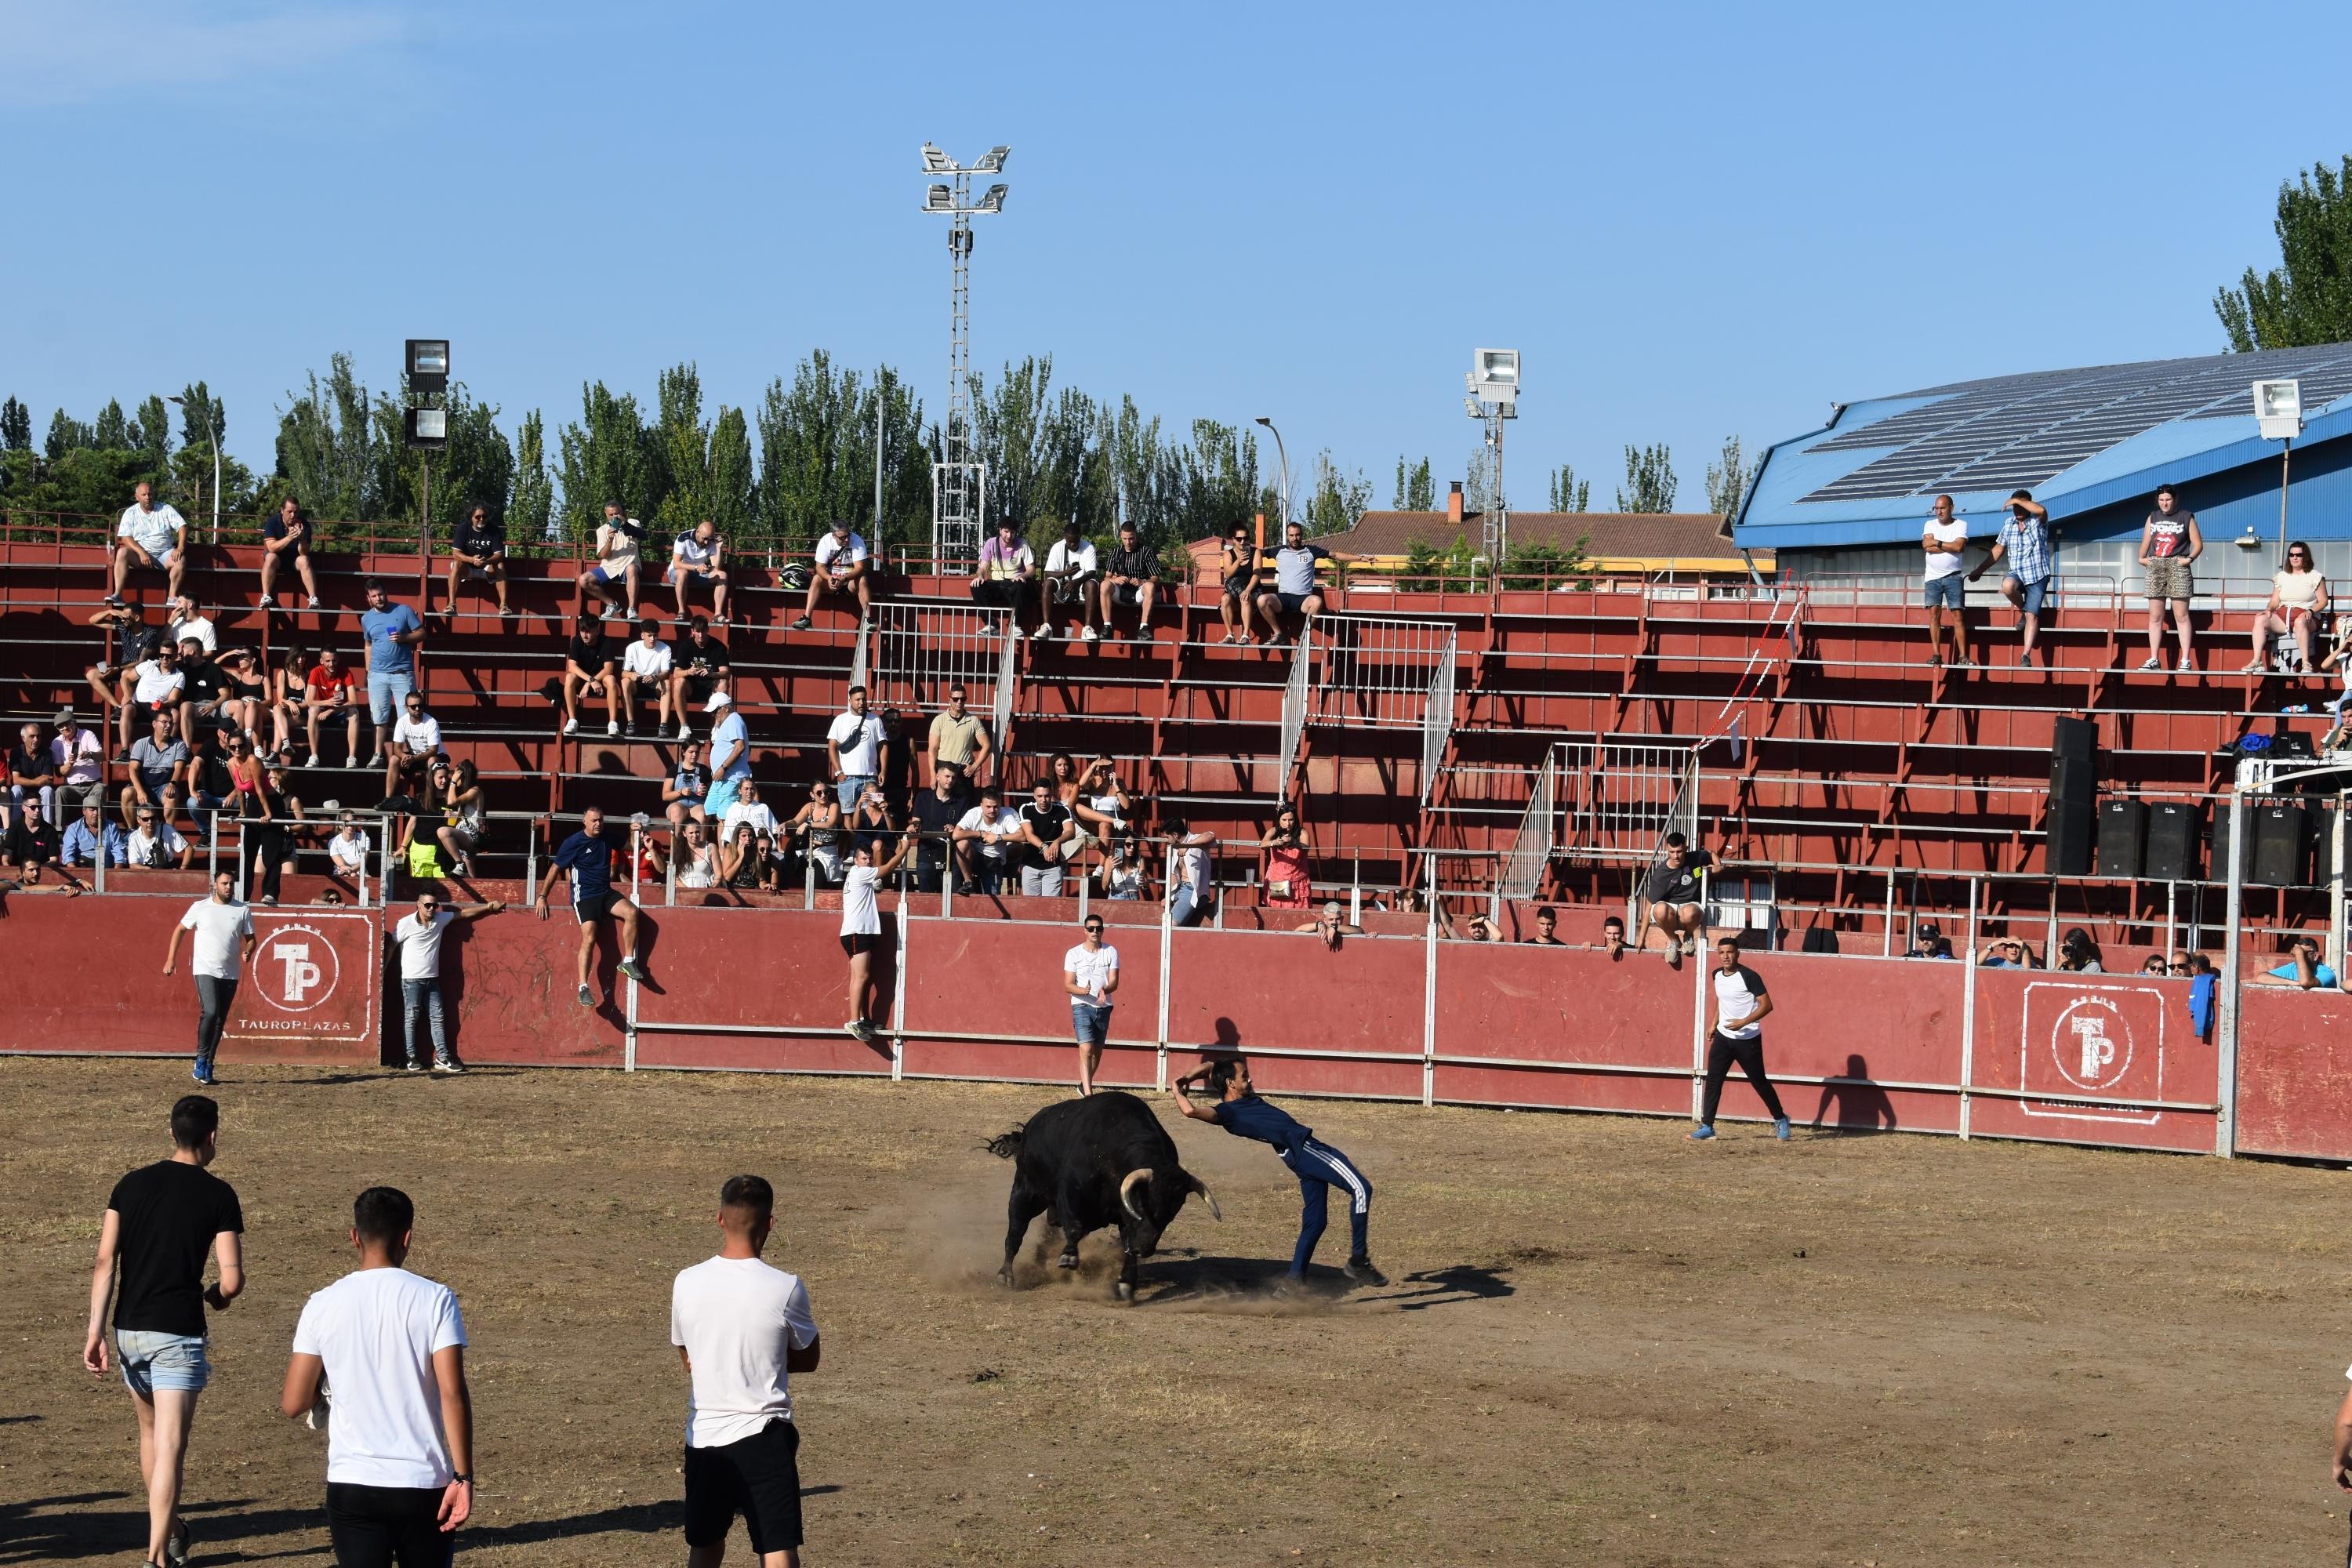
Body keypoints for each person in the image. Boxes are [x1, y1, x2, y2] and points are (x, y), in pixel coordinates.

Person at [83, 1094, 245, 1568]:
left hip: (128, 1330)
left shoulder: (128, 1186)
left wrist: (94, 1333)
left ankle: (172, 1529)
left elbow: (104, 1261)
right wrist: (218, 1295)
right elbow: (232, 1280)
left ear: (170, 1132)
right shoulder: (219, 1195)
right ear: (212, 1137)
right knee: (172, 1445)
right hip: (178, 1334)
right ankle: (158, 1556)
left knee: (152, 1436)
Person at [279, 1186, 474, 1568]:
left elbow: (292, 1403)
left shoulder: (322, 1303)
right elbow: (453, 1394)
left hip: (353, 1485)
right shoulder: (436, 1299)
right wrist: (463, 1477)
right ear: (408, 1238)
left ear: (355, 1236)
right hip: (423, 1486)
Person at [670, 1175, 821, 1568]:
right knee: (777, 1548)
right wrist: (763, 1356)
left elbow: (689, 1357)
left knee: (705, 1545)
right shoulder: (786, 1288)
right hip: (764, 1437)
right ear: (771, 1223)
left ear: (720, 1218)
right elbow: (809, 1358)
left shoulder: (686, 1282)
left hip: (704, 1435)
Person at [1169, 1054, 1386, 1290]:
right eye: (1244, 1076)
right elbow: (1190, 1111)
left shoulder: (1241, 1096)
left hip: (1296, 1157)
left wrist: (1186, 1077)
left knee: (1316, 1222)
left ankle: (1293, 1282)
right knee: (1361, 1188)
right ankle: (1358, 1261)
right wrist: (1176, 1091)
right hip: (1306, 1149)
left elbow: (1211, 1067)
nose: (1250, 1079)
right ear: (1231, 1083)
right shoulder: (1227, 1113)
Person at [536, 806, 652, 1008]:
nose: (598, 824)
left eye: (600, 820)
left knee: (632, 912)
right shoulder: (573, 843)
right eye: (594, 821)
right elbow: (556, 869)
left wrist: (635, 832)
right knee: (590, 936)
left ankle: (627, 961)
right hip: (585, 895)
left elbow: (629, 846)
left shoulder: (607, 836)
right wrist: (542, 896)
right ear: (585, 822)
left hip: (605, 892)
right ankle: (583, 988)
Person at [1692, 935, 1790, 1142]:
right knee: (1714, 1081)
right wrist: (1713, 1024)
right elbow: (1721, 1000)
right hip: (1723, 1038)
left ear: (1738, 954)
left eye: (1730, 952)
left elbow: (1767, 1005)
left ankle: (1780, 1119)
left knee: (1759, 1082)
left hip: (1747, 1038)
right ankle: (1708, 1126)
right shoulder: (1716, 975)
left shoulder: (1749, 976)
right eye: (1721, 953)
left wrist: (1743, 1022)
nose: (1726, 956)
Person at [392, 891, 503, 1073]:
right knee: (411, 1018)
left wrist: (489, 906)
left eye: (434, 905)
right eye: (427, 905)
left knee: (437, 1017)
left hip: (432, 978)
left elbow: (464, 914)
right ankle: (411, 1057)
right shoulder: (405, 923)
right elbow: (392, 945)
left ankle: (442, 1058)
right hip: (411, 980)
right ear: (418, 905)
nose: (431, 909)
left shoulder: (439, 918)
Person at [163, 869, 257, 1086]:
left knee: (219, 1020)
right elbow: (179, 930)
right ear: (215, 885)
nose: (228, 887)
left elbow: (251, 939)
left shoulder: (242, 909)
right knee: (211, 1011)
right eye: (224, 883)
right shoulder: (200, 907)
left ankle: (208, 1064)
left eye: (232, 884)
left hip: (231, 972)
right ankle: (200, 1058)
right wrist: (171, 959)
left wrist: (248, 951)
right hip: (205, 968)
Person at [840, 829, 914, 1044]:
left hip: (858, 931)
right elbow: (890, 867)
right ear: (855, 860)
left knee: (862, 977)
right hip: (857, 931)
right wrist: (906, 849)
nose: (868, 862)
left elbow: (887, 868)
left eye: (870, 859)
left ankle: (861, 1019)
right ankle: (854, 1021)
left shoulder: (859, 874)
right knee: (862, 977)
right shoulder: (858, 872)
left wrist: (900, 847)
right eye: (864, 859)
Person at [1967, 490, 2053, 668]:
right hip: (2018, 572)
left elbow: (2041, 511)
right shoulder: (2009, 524)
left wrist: (2016, 500)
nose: (2017, 509)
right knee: (2007, 585)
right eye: (2015, 506)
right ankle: (2023, 609)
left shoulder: (2038, 521)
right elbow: (1998, 550)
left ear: (2029, 505)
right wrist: (1980, 570)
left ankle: (2025, 655)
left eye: (2021, 505)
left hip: (2037, 574)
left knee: (2032, 615)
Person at [359, 581, 426, 769]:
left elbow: (422, 633)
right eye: (374, 596)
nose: (378, 598)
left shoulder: (404, 610)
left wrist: (404, 638)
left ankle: (410, 754)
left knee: (408, 715)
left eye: (380, 594)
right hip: (378, 675)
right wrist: (368, 670)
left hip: (402, 673)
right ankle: (378, 754)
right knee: (379, 717)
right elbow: (368, 644)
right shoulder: (366, 619)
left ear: (386, 593)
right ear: (369, 599)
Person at [2136, 482, 2201, 672]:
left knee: (2181, 615)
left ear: (2175, 499)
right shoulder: (2153, 517)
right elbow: (2146, 542)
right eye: (2161, 500)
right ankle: (2154, 658)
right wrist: (2142, 559)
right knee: (2155, 616)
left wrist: (2188, 559)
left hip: (2178, 564)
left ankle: (2185, 660)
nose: (2165, 503)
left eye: (2168, 499)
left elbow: (2197, 544)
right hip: (2156, 564)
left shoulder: (2186, 517)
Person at [2245, 540, 2329, 674]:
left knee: (2300, 621)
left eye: (2299, 555)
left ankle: (2306, 663)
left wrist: (2310, 611)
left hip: (2306, 617)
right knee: (2259, 619)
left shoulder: (2315, 576)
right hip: (2283, 616)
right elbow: (2274, 601)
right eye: (2291, 555)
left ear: (2305, 556)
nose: (2294, 558)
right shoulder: (2281, 576)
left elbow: (2323, 601)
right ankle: (2257, 661)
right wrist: (2269, 609)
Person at [1063, 914, 1120, 1094]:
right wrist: (1083, 991)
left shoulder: (1110, 951)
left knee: (1097, 1052)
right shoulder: (1074, 953)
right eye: (1091, 929)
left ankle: (1083, 1085)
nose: (1095, 931)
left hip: (1103, 1007)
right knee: (1086, 1048)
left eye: (1098, 928)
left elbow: (1114, 982)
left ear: (1103, 930)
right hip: (1081, 1005)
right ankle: (1089, 1094)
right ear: (1085, 931)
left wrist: (1105, 989)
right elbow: (1068, 985)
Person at [1253, 520, 1332, 648]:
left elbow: (1334, 554)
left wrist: (1360, 558)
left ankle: (1305, 636)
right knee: (1262, 600)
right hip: (1283, 598)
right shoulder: (1279, 551)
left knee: (1317, 602)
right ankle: (1278, 634)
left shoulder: (1311, 551)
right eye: (1291, 535)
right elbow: (1258, 552)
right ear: (1287, 536)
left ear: (1302, 535)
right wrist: (1241, 554)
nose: (1295, 538)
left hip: (1304, 598)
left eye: (1297, 535)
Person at [107, 481, 188, 606]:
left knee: (180, 560)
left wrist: (180, 548)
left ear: (154, 495)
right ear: (137, 497)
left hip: (165, 554)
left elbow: (182, 526)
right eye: (144, 494)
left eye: (150, 494)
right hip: (140, 556)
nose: (147, 497)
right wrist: (141, 552)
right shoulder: (130, 513)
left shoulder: (165, 509)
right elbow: (125, 537)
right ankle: (118, 594)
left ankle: (172, 597)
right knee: (122, 552)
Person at [1641, 830, 1712, 967]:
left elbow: (1712, 854)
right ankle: (1674, 941)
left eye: (1679, 851)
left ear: (1686, 848)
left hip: (1690, 909)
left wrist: (1719, 866)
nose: (1676, 856)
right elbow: (1649, 905)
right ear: (1667, 849)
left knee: (1690, 911)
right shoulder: (1661, 874)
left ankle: (1688, 936)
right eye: (1672, 852)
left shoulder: (1696, 857)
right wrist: (1641, 939)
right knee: (1659, 909)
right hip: (1670, 913)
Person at [790, 518, 872, 631]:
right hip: (831, 581)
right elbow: (819, 567)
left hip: (849, 581)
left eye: (848, 535)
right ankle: (807, 618)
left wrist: (844, 578)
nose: (847, 539)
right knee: (816, 579)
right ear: (833, 536)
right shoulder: (825, 541)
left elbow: (860, 568)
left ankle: (868, 619)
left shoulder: (857, 540)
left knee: (862, 579)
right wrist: (829, 578)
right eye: (842, 537)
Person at [1920, 494, 1971, 669]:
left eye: (1942, 508)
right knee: (1934, 613)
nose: (1939, 512)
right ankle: (1936, 653)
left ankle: (1963, 655)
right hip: (1932, 577)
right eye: (1937, 508)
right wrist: (1945, 545)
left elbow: (1959, 547)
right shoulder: (1929, 524)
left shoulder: (1961, 524)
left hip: (1954, 576)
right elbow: (1927, 546)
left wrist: (1936, 543)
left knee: (1958, 614)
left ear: (1951, 508)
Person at [442, 502, 512, 619]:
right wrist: (471, 560)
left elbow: (499, 555)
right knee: (456, 564)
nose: (481, 519)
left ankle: (504, 606)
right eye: (478, 517)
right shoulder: (463, 528)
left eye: (484, 516)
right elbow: (456, 553)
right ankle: (451, 605)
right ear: (471, 517)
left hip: (487, 567)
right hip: (468, 567)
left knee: (500, 565)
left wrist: (487, 561)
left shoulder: (494, 530)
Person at [579, 500, 648, 621]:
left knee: (631, 568)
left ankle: (632, 609)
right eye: (611, 515)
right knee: (584, 580)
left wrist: (624, 524)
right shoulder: (602, 530)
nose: (614, 517)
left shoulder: (633, 523)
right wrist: (610, 540)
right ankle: (612, 604)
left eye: (617, 514)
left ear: (622, 512)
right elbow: (603, 555)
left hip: (629, 565)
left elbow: (643, 536)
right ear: (606, 514)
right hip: (609, 567)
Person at [667, 616, 731, 742]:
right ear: (692, 631)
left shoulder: (718, 646)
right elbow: (676, 673)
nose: (700, 635)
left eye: (703, 631)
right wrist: (689, 671)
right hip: (691, 687)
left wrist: (711, 673)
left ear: (708, 630)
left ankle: (717, 727)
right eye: (697, 631)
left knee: (723, 683)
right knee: (678, 682)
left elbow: (726, 672)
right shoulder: (686, 646)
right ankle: (684, 726)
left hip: (711, 687)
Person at [826, 686, 886, 815]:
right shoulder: (840, 720)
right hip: (847, 776)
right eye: (857, 699)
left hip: (870, 776)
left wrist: (883, 771)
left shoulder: (875, 719)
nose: (861, 703)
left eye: (863, 699)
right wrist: (838, 772)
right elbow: (831, 747)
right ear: (850, 701)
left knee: (872, 813)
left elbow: (883, 745)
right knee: (848, 815)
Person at [952, 783, 1021, 895]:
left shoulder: (1007, 815)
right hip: (974, 857)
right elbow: (956, 835)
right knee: (962, 843)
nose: (992, 810)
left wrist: (998, 837)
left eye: (996, 807)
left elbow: (1021, 836)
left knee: (992, 899)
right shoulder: (974, 813)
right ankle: (968, 882)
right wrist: (980, 833)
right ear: (981, 806)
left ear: (1000, 805)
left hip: (993, 860)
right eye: (988, 807)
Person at [907, 768, 968, 893]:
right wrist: (914, 826)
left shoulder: (962, 801)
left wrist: (955, 828)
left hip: (952, 857)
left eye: (953, 777)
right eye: (947, 776)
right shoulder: (923, 797)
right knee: (926, 899)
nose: (950, 780)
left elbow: (966, 827)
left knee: (953, 900)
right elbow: (916, 820)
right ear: (937, 777)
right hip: (926, 854)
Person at [1037, 520, 1099, 641]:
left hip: (1081, 587)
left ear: (1080, 537)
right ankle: (1046, 626)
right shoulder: (1057, 547)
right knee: (1048, 583)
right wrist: (1065, 573)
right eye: (1069, 541)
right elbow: (1047, 573)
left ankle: (1087, 628)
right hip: (1062, 586)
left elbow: (1092, 572)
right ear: (1065, 538)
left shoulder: (1088, 548)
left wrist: (1076, 582)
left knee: (1092, 584)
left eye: (1075, 542)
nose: (1072, 544)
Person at [971, 521, 1036, 634]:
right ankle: (991, 624)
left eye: (1012, 532)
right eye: (1006, 532)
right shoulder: (991, 543)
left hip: (1014, 584)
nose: (1009, 536)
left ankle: (1015, 625)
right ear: (1000, 530)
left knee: (1020, 586)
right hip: (996, 583)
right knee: (976, 586)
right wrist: (980, 576)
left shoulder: (1022, 544)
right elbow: (982, 567)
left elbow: (1031, 569)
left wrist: (1022, 576)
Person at [1098, 521, 1160, 641]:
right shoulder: (1115, 552)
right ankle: (1107, 627)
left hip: (1139, 593)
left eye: (1131, 539)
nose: (1128, 542)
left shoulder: (1147, 552)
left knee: (1150, 586)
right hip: (1120, 591)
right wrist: (1116, 580)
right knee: (1104, 585)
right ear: (1120, 535)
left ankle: (1144, 628)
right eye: (1125, 539)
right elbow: (1107, 577)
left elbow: (1156, 579)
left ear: (1136, 535)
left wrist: (1143, 581)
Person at [1015, 779, 1076, 897]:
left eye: (1047, 796)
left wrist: (1057, 841)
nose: (1043, 800)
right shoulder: (1026, 809)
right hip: (1030, 866)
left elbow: (1070, 832)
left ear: (1052, 794)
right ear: (1034, 795)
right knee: (1031, 907)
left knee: (1051, 908)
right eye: (1039, 796)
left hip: (1053, 867)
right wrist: (1044, 847)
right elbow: (1029, 834)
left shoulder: (1062, 810)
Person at [260, 497, 322, 610]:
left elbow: (304, 552)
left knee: (305, 560)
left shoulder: (304, 525)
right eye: (290, 512)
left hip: (295, 561)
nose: (293, 515)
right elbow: (271, 547)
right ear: (282, 510)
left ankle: (313, 598)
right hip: (277, 560)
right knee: (270, 557)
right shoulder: (273, 522)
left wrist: (302, 538)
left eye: (296, 512)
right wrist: (289, 538)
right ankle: (266, 596)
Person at [306, 648, 365, 770]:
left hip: (339, 713)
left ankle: (352, 758)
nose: (331, 664)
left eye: (334, 661)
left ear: (338, 660)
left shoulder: (346, 673)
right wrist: (327, 703)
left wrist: (331, 710)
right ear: (321, 661)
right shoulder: (315, 672)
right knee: (312, 710)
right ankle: (314, 756)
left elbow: (354, 701)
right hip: (321, 713)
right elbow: (309, 701)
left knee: (354, 712)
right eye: (328, 661)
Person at [561, 618, 620, 737]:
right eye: (582, 631)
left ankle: (613, 723)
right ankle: (572, 721)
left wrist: (591, 682)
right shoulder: (577, 640)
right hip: (582, 680)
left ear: (597, 631)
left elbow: (609, 669)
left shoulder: (606, 641)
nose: (584, 635)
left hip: (600, 680)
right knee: (569, 678)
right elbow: (572, 667)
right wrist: (590, 680)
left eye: (588, 631)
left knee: (611, 679)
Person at [927, 683, 993, 787]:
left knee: (964, 803)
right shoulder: (939, 720)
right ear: (949, 699)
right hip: (944, 771)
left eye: (963, 699)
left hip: (964, 772)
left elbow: (987, 745)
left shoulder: (973, 721)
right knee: (942, 802)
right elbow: (932, 749)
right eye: (956, 699)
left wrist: (974, 766)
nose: (959, 702)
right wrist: (932, 775)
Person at [619, 619, 676, 739]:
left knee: (667, 683)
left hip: (656, 683)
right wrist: (631, 675)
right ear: (642, 635)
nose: (652, 639)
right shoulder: (632, 648)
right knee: (625, 682)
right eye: (649, 635)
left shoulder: (665, 648)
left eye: (655, 635)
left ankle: (663, 725)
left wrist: (655, 677)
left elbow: (666, 672)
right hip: (637, 683)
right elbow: (624, 672)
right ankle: (630, 723)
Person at [702, 688, 753, 822]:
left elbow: (740, 746)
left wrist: (723, 768)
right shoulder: (727, 722)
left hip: (730, 778)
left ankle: (726, 843)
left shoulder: (734, 720)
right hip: (722, 778)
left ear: (725, 708)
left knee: (725, 818)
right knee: (709, 811)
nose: (714, 715)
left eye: (715, 711)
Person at [667, 519, 731, 625]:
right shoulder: (683, 538)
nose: (706, 542)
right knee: (683, 573)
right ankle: (681, 612)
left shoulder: (711, 541)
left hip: (698, 573)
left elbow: (717, 567)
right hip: (678, 573)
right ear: (697, 532)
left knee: (723, 575)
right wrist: (696, 567)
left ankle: (718, 614)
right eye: (704, 538)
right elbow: (676, 564)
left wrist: (719, 549)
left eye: (709, 539)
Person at [385, 692, 445, 800]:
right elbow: (397, 748)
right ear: (406, 707)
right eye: (413, 706)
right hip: (413, 757)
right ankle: (387, 800)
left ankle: (434, 800)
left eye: (420, 706)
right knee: (394, 759)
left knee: (432, 760)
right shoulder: (402, 722)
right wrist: (404, 756)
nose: (417, 708)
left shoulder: (431, 722)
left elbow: (433, 750)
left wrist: (413, 759)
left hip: (433, 756)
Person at [1258, 804, 1312, 910]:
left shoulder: (1302, 833)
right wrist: (1275, 842)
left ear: (1295, 820)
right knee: (1275, 911)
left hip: (1298, 882)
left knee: (1299, 911)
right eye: (1284, 820)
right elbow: (1263, 844)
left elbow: (1306, 848)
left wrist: (1295, 842)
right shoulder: (1273, 831)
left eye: (1291, 820)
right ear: (1279, 820)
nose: (1288, 823)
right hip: (1277, 880)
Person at [1167, 816, 1218, 927]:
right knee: (1165, 918)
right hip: (1179, 889)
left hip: (1192, 891)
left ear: (1176, 835)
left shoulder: (1196, 840)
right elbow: (1174, 875)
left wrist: (1188, 845)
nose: (1166, 840)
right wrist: (1167, 896)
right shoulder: (1174, 848)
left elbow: (1211, 835)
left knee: (1170, 925)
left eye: (1167, 837)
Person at [1218, 522, 1261, 644]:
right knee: (1225, 598)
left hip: (1251, 590)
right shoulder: (1228, 554)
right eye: (1239, 539)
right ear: (1233, 540)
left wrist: (1247, 590)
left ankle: (1245, 636)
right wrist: (1238, 562)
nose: (1243, 541)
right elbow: (1228, 574)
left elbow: (1257, 574)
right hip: (1234, 592)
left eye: (1246, 538)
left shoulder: (1255, 552)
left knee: (1245, 597)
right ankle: (1229, 635)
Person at [2258, 935, 2339, 990]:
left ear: (2315, 956)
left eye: (2303, 953)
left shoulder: (2327, 973)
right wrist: (2293, 983)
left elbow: (2305, 982)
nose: (2298, 957)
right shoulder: (2292, 968)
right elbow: (2260, 978)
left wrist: (2299, 952)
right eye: (2295, 954)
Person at [663, 740, 711, 833]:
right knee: (676, 811)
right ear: (684, 752)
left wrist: (706, 791)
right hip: (678, 804)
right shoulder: (673, 770)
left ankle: (699, 846)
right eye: (691, 752)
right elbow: (665, 796)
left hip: (698, 804)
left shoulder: (704, 770)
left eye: (697, 752)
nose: (694, 755)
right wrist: (680, 792)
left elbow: (712, 791)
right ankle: (676, 845)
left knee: (702, 814)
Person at [62, 801, 127, 869]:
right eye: (92, 810)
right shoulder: (73, 829)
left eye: (99, 810)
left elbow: (119, 851)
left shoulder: (112, 827)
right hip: (83, 870)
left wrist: (115, 874)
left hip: (107, 869)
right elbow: (68, 855)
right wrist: (77, 876)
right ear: (84, 811)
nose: (96, 813)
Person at [125, 805, 193, 870]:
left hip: (167, 870)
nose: (150, 822)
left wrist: (182, 871)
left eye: (152, 818)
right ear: (138, 820)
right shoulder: (134, 837)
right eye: (145, 819)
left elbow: (189, 849)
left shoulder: (167, 829)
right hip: (145, 873)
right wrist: (153, 872)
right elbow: (133, 865)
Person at [1295, 898, 1364, 949]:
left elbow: (1360, 931)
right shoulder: (1322, 929)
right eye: (1331, 919)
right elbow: (1297, 931)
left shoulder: (1346, 929)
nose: (1334, 922)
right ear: (1325, 920)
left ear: (1342, 918)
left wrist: (1335, 927)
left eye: (1337, 919)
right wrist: (1318, 924)